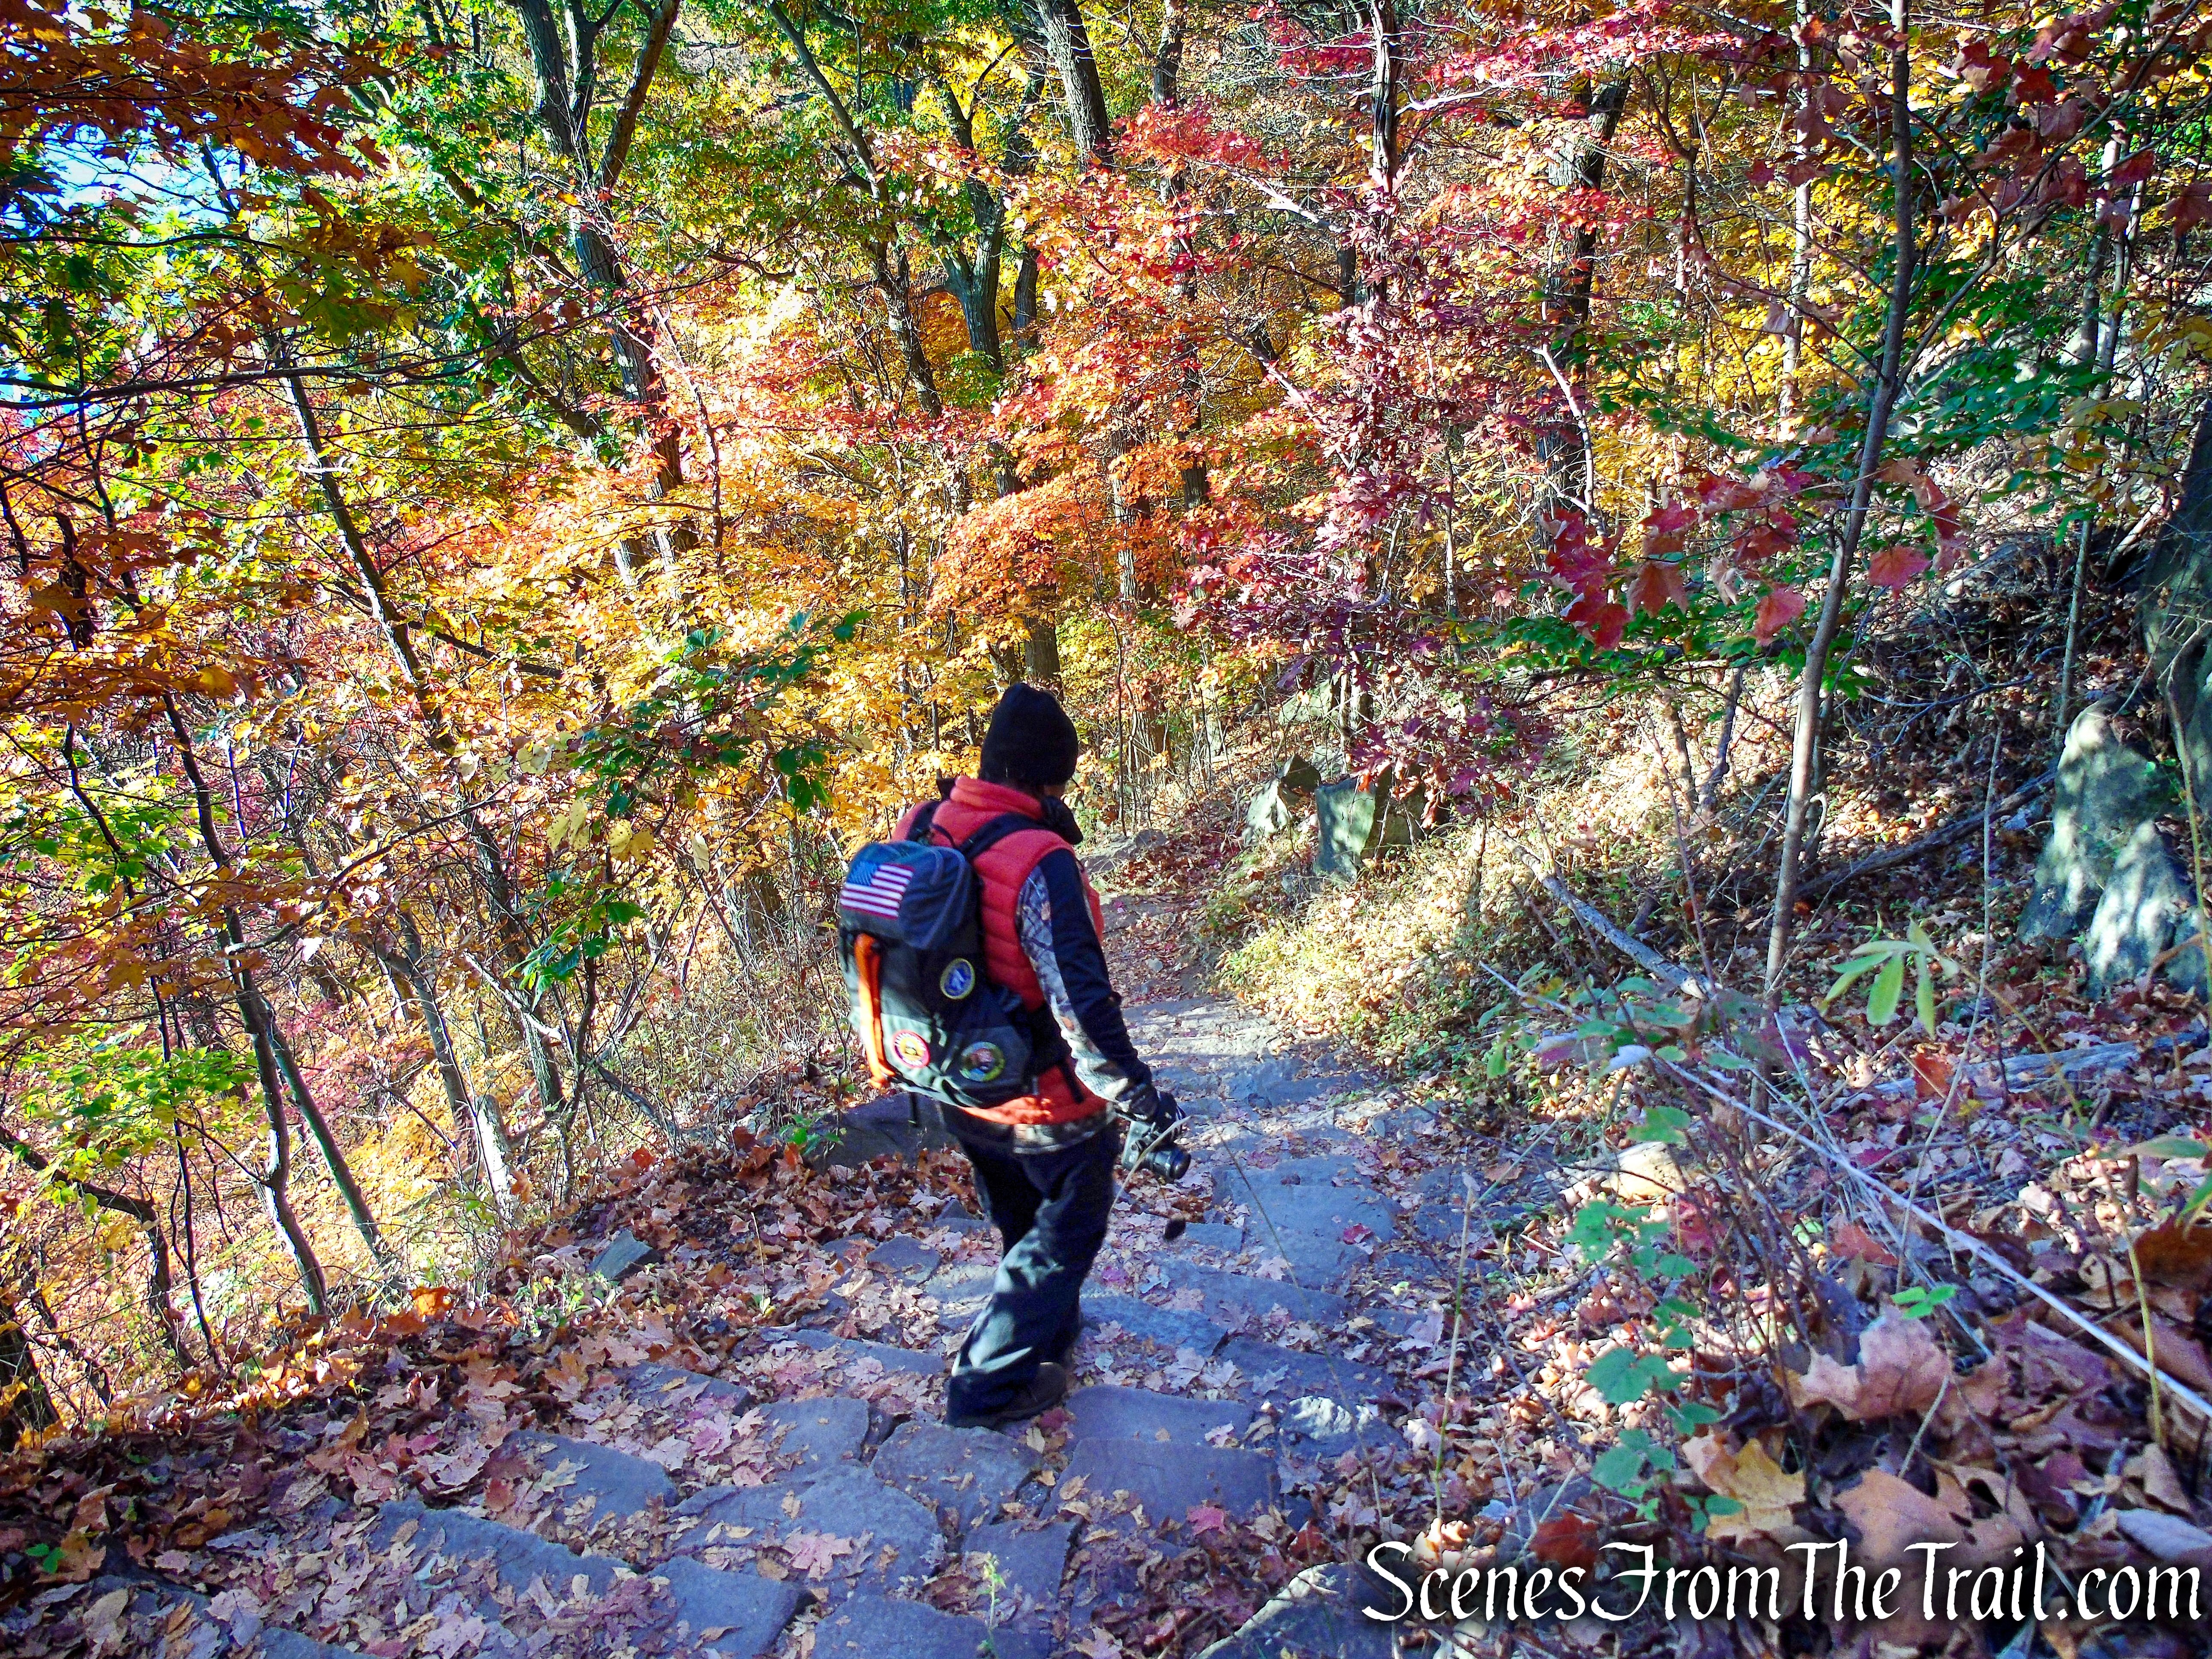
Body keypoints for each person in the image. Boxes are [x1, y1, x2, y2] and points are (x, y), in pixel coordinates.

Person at [893, 683, 1176, 1430]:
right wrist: (1139, 1098)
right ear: (1048, 780)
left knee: (1022, 1214)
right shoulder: (1041, 861)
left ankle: (1048, 1336)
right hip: (1043, 1100)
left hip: (953, 1080)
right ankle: (984, 1388)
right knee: (1068, 1231)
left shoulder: (921, 825)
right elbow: (1081, 1007)